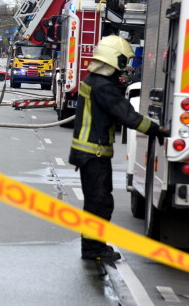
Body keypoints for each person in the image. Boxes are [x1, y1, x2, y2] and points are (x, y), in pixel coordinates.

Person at [69, 35, 169, 262]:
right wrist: (158, 129)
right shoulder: (104, 87)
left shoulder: (95, 81)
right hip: (93, 154)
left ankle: (92, 247)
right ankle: (93, 249)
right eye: (125, 61)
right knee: (100, 203)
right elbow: (129, 117)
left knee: (97, 202)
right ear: (116, 60)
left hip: (90, 153)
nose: (126, 67)